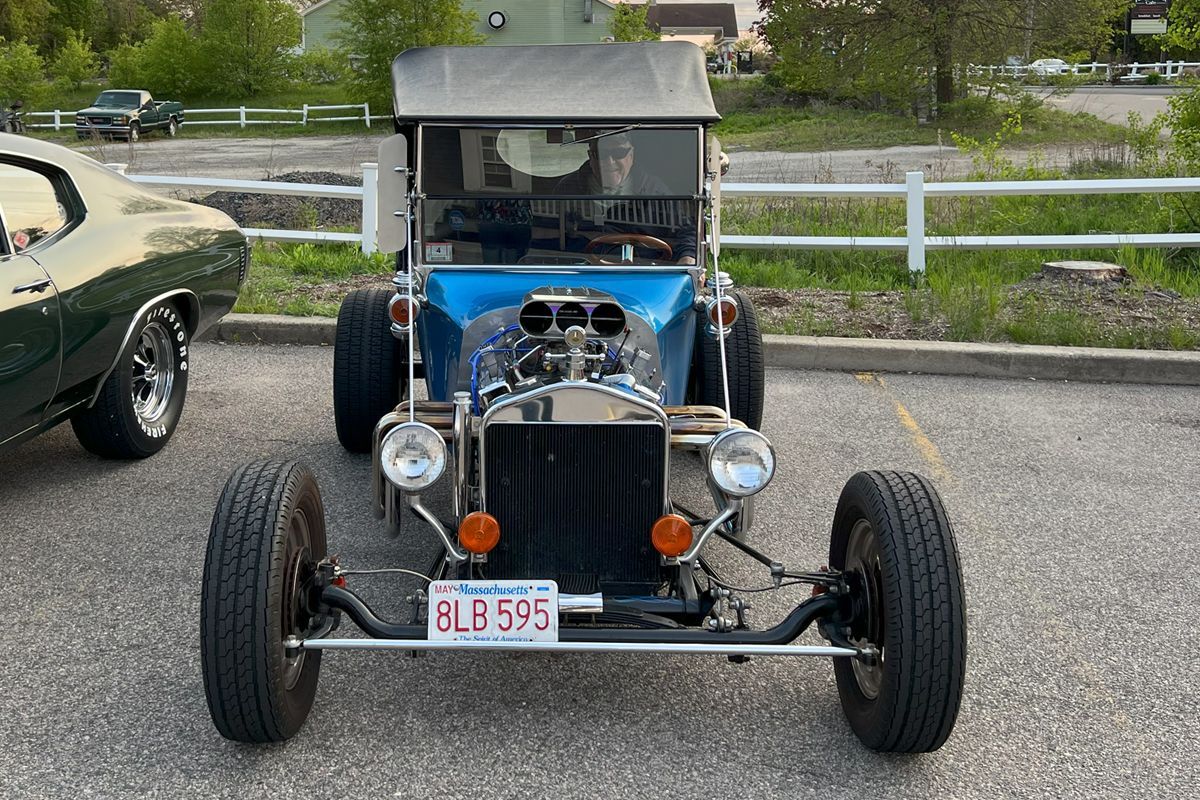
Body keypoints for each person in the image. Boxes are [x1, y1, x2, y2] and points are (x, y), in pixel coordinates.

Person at [555, 131, 696, 264]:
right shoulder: (568, 189)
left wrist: (688, 256)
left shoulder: (656, 192)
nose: (609, 161)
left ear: (631, 155)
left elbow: (686, 231)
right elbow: (551, 234)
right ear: (590, 156)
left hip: (646, 272)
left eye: (619, 153)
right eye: (601, 154)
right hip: (581, 271)